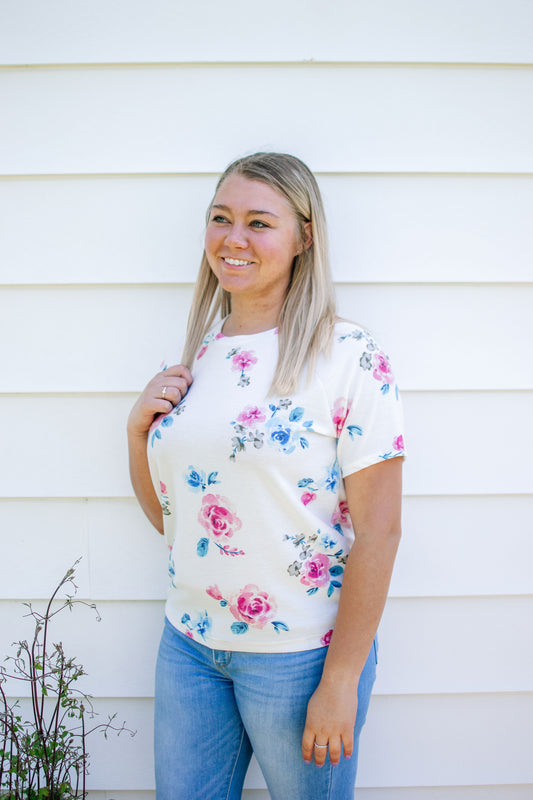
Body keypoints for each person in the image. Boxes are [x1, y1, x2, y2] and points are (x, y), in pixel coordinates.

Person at [127, 152, 405, 800]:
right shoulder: (204, 352)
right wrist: (137, 431)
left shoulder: (347, 356)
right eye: (221, 218)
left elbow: (381, 532)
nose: (234, 239)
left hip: (300, 659)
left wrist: (340, 679)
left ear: (304, 236)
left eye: (259, 222)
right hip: (190, 646)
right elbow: (174, 521)